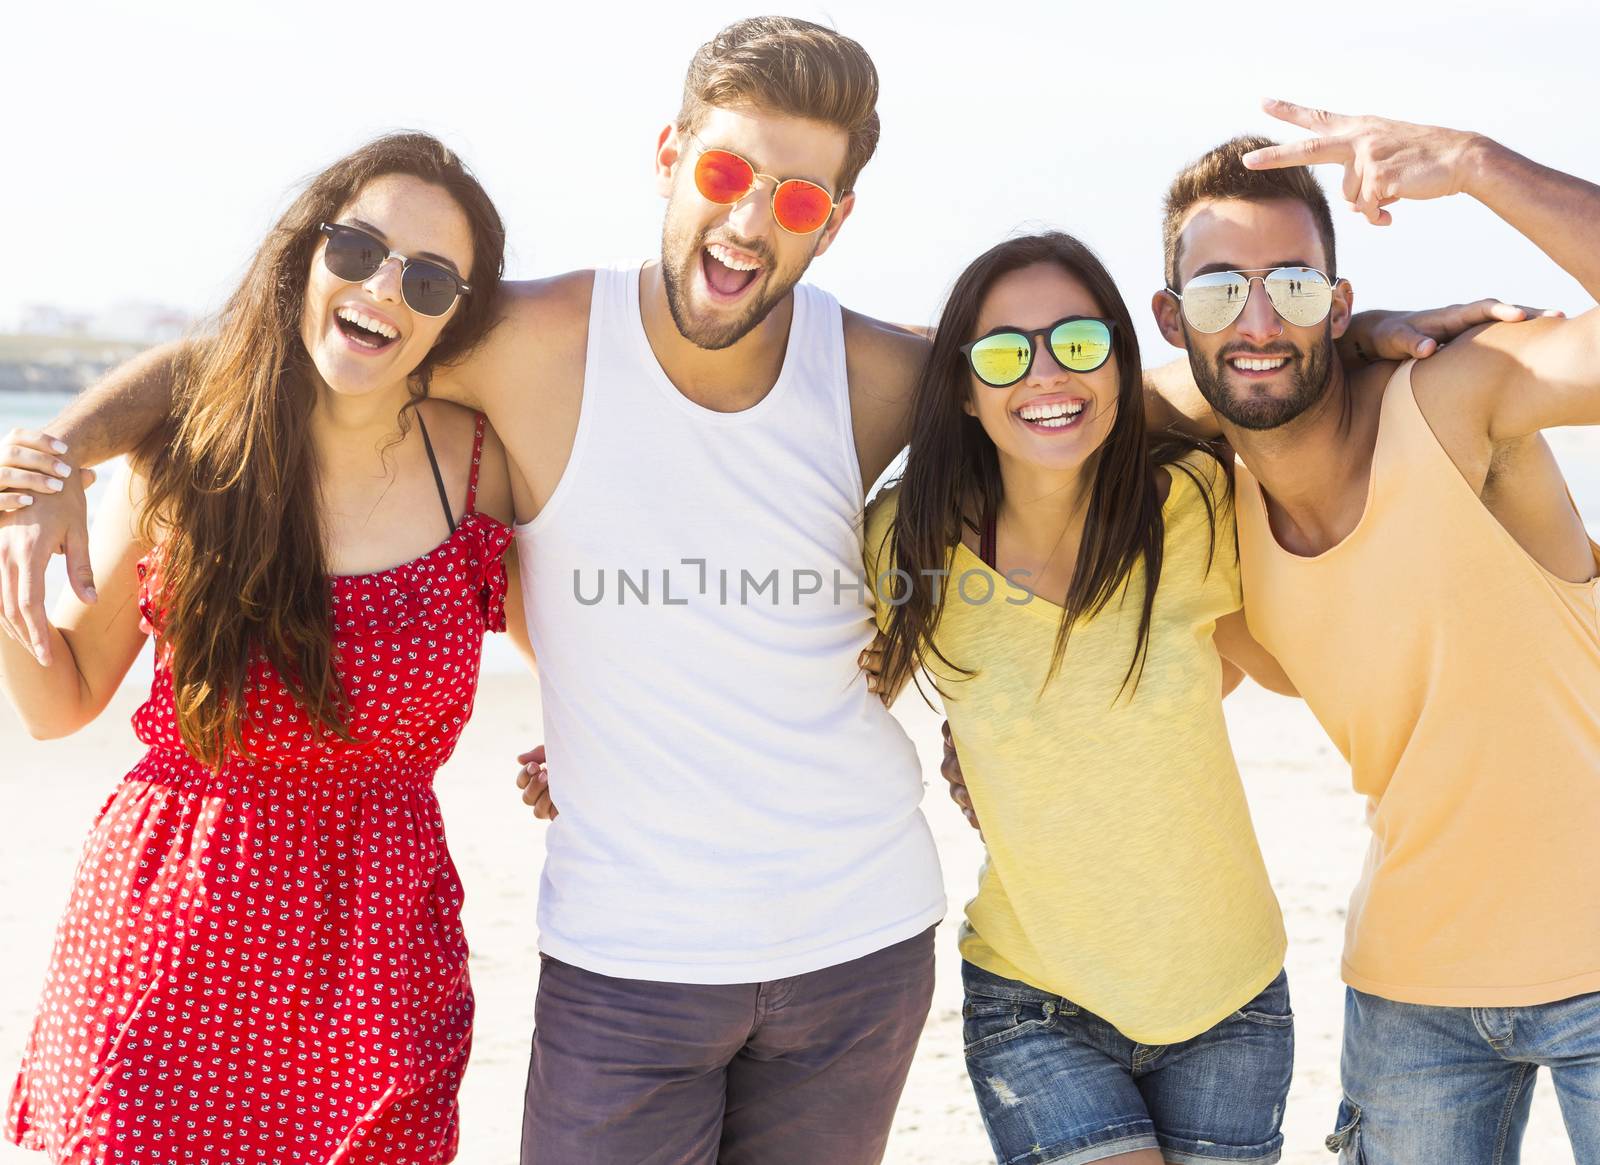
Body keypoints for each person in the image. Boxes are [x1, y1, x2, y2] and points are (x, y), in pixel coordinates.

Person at [0, 23, 1524, 1159]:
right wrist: (64, 445)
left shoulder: (871, 372)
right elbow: (273, 349)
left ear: (838, 217)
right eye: (729, 173)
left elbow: (1082, 386)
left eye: (799, 198)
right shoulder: (518, 337)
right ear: (673, 158)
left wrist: (1344, 335)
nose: (752, 219)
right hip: (625, 962)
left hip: (862, 946)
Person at [942, 99, 1600, 1163]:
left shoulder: (1462, 397)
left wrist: (1479, 164)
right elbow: (1061, 409)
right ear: (1168, 318)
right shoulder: (1217, 524)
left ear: (1335, 304)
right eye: (1218, 290)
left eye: (1292, 286)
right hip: (1410, 992)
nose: (1256, 321)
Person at [0, 133, 525, 1164]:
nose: (385, 286)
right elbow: (60, 703)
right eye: (358, 248)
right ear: (304, 254)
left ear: (457, 314)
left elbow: (589, 638)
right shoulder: (187, 455)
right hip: (170, 938)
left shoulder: (482, 462)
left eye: (427, 277)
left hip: (380, 954)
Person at [864, 231, 1298, 1165]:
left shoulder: (1194, 501)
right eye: (1005, 353)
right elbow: (806, 694)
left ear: (1118, 355)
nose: (1047, 373)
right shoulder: (909, 542)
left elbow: (1290, 661)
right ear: (967, 391)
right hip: (1035, 995)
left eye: (1078, 342)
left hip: (1232, 990)